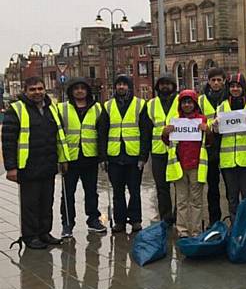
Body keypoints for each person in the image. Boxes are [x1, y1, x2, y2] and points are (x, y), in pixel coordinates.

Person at [2, 76, 69, 249]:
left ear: (45, 90)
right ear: (25, 91)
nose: (37, 92)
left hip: (48, 163)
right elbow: (8, 141)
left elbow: (59, 136)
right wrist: (11, 168)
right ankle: (30, 236)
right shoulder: (16, 110)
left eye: (40, 89)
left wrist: (63, 159)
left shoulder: (51, 108)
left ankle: (44, 232)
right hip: (28, 166)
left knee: (47, 202)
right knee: (30, 204)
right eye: (32, 90)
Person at [98, 75, 150, 233]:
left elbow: (145, 132)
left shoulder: (140, 104)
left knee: (134, 190)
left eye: (124, 84)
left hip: (133, 156)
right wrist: (103, 157)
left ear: (129, 87)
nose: (121, 87)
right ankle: (119, 221)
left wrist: (143, 156)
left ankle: (135, 220)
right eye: (118, 84)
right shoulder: (107, 106)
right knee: (117, 192)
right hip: (114, 155)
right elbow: (102, 133)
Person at [58, 77, 107, 238]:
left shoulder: (98, 109)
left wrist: (102, 157)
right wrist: (60, 158)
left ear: (87, 91)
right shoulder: (62, 108)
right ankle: (67, 224)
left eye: (83, 88)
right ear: (71, 91)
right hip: (69, 158)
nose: (79, 91)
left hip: (89, 156)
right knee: (67, 193)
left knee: (91, 191)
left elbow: (102, 134)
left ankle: (93, 219)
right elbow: (58, 135)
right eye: (76, 88)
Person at [212, 73, 246, 221]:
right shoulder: (222, 107)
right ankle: (235, 228)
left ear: (243, 87)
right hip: (228, 160)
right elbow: (217, 136)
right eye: (232, 86)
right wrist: (214, 127)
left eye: (238, 86)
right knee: (232, 197)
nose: (235, 89)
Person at [163, 90, 212, 238]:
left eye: (190, 102)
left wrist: (208, 131)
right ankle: (182, 231)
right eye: (184, 102)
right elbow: (168, 142)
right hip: (180, 166)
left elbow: (210, 143)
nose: (187, 105)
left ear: (195, 103)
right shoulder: (175, 121)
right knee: (182, 201)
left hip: (197, 166)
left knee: (196, 201)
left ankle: (196, 231)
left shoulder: (202, 120)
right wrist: (165, 133)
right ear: (180, 104)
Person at [143, 74, 179, 225]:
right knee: (161, 187)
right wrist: (144, 155)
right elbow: (146, 130)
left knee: (180, 186)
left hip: (178, 150)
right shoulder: (151, 104)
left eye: (168, 84)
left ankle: (179, 215)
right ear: (158, 87)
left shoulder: (181, 101)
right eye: (162, 84)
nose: (165, 86)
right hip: (158, 151)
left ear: (173, 86)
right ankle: (166, 217)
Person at [199, 67, 226, 227]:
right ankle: (214, 220)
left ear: (223, 82)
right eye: (213, 80)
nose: (216, 83)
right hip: (209, 148)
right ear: (208, 82)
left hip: (227, 146)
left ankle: (232, 219)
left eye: (219, 80)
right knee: (213, 188)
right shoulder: (201, 100)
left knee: (231, 190)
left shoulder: (229, 98)